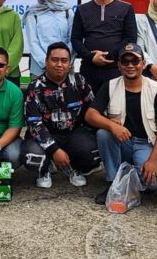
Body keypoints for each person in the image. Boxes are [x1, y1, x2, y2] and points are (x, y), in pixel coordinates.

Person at [86, 42, 157, 204]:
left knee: (152, 184)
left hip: (145, 143)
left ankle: (129, 180)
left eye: (135, 61)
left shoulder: (156, 89)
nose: (130, 65)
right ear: (119, 65)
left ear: (143, 64)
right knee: (104, 133)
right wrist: (112, 126)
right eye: (125, 62)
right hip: (122, 141)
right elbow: (91, 115)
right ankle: (114, 183)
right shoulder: (110, 85)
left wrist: (153, 159)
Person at [22, 42, 99, 188]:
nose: (59, 64)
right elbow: (34, 124)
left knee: (94, 152)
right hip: (45, 134)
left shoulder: (79, 82)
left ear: (70, 63)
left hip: (72, 134)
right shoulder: (35, 87)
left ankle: (75, 168)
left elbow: (92, 110)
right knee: (31, 156)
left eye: (64, 61)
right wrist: (54, 150)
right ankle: (44, 169)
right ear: (46, 61)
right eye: (54, 60)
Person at [72, 0, 138, 94]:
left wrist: (109, 55)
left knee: (115, 109)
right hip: (89, 69)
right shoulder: (82, 9)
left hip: (116, 69)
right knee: (87, 109)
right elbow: (75, 39)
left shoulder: (126, 8)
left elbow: (130, 38)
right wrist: (91, 56)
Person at [23, 0, 73, 78]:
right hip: (40, 68)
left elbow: (72, 38)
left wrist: (64, 60)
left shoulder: (67, 11)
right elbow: (33, 42)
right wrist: (47, 62)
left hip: (64, 68)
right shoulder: (33, 13)